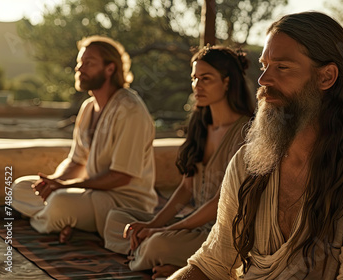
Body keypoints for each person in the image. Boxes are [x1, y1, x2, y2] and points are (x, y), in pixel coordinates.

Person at [168, 12, 343, 280]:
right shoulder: (247, 162)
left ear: (326, 77)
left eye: (282, 67)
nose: (264, 80)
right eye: (264, 66)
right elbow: (212, 263)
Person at [103, 45, 255, 278]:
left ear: (227, 82)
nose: (197, 86)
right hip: (192, 224)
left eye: (206, 78)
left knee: (157, 243)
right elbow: (185, 189)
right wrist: (154, 223)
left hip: (221, 233)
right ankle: (165, 259)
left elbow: (219, 203)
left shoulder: (244, 132)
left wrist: (165, 230)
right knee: (116, 220)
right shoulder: (200, 125)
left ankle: (173, 260)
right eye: (194, 78)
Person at [11, 35, 157, 243]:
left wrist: (65, 187)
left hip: (122, 201)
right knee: (20, 187)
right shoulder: (88, 107)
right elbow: (76, 160)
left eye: (88, 63)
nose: (79, 68)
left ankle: (58, 221)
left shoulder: (129, 110)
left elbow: (121, 176)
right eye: (80, 62)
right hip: (90, 192)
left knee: (61, 203)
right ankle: (67, 223)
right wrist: (55, 181)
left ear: (110, 69)